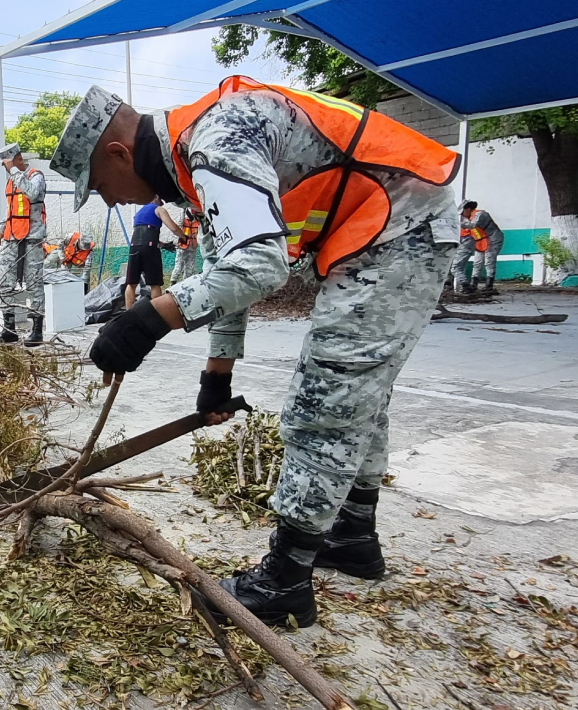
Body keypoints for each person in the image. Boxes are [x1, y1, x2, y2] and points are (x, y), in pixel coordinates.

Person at [50, 77, 461, 627]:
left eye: (101, 185)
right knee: (361, 392)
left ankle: (285, 580)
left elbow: (258, 267)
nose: (111, 201)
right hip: (382, 221)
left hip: (400, 221)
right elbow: (231, 268)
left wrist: (146, 321)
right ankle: (352, 535)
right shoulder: (194, 157)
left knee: (331, 394)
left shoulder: (217, 140)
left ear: (120, 152)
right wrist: (216, 376)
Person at [0, 142, 48, 346]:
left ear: (18, 159)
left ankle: (36, 331)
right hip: (11, 238)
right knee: (5, 284)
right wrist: (0, 234)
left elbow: (33, 194)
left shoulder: (36, 176)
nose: (7, 169)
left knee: (34, 283)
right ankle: (9, 330)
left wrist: (15, 172)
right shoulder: (12, 181)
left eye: (8, 163)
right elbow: (11, 212)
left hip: (32, 237)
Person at [125, 200, 185, 309]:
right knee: (155, 283)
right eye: (161, 200)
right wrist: (184, 237)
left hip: (134, 247)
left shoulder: (138, 213)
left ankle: (128, 313)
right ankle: (156, 313)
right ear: (155, 197)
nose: (162, 203)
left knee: (131, 283)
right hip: (150, 250)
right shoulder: (159, 209)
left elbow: (144, 236)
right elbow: (174, 228)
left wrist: (164, 245)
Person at [450, 200, 504, 294]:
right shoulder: (469, 217)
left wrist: (457, 224)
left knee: (489, 261)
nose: (462, 215)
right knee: (477, 262)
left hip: (494, 238)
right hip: (481, 240)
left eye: (463, 212)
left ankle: (489, 286)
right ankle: (473, 285)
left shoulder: (480, 214)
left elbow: (473, 225)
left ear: (468, 209)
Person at [170, 206, 202, 284]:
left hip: (192, 245)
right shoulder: (183, 219)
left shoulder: (198, 222)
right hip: (182, 244)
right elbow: (178, 227)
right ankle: (173, 282)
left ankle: (186, 283)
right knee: (178, 266)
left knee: (189, 266)